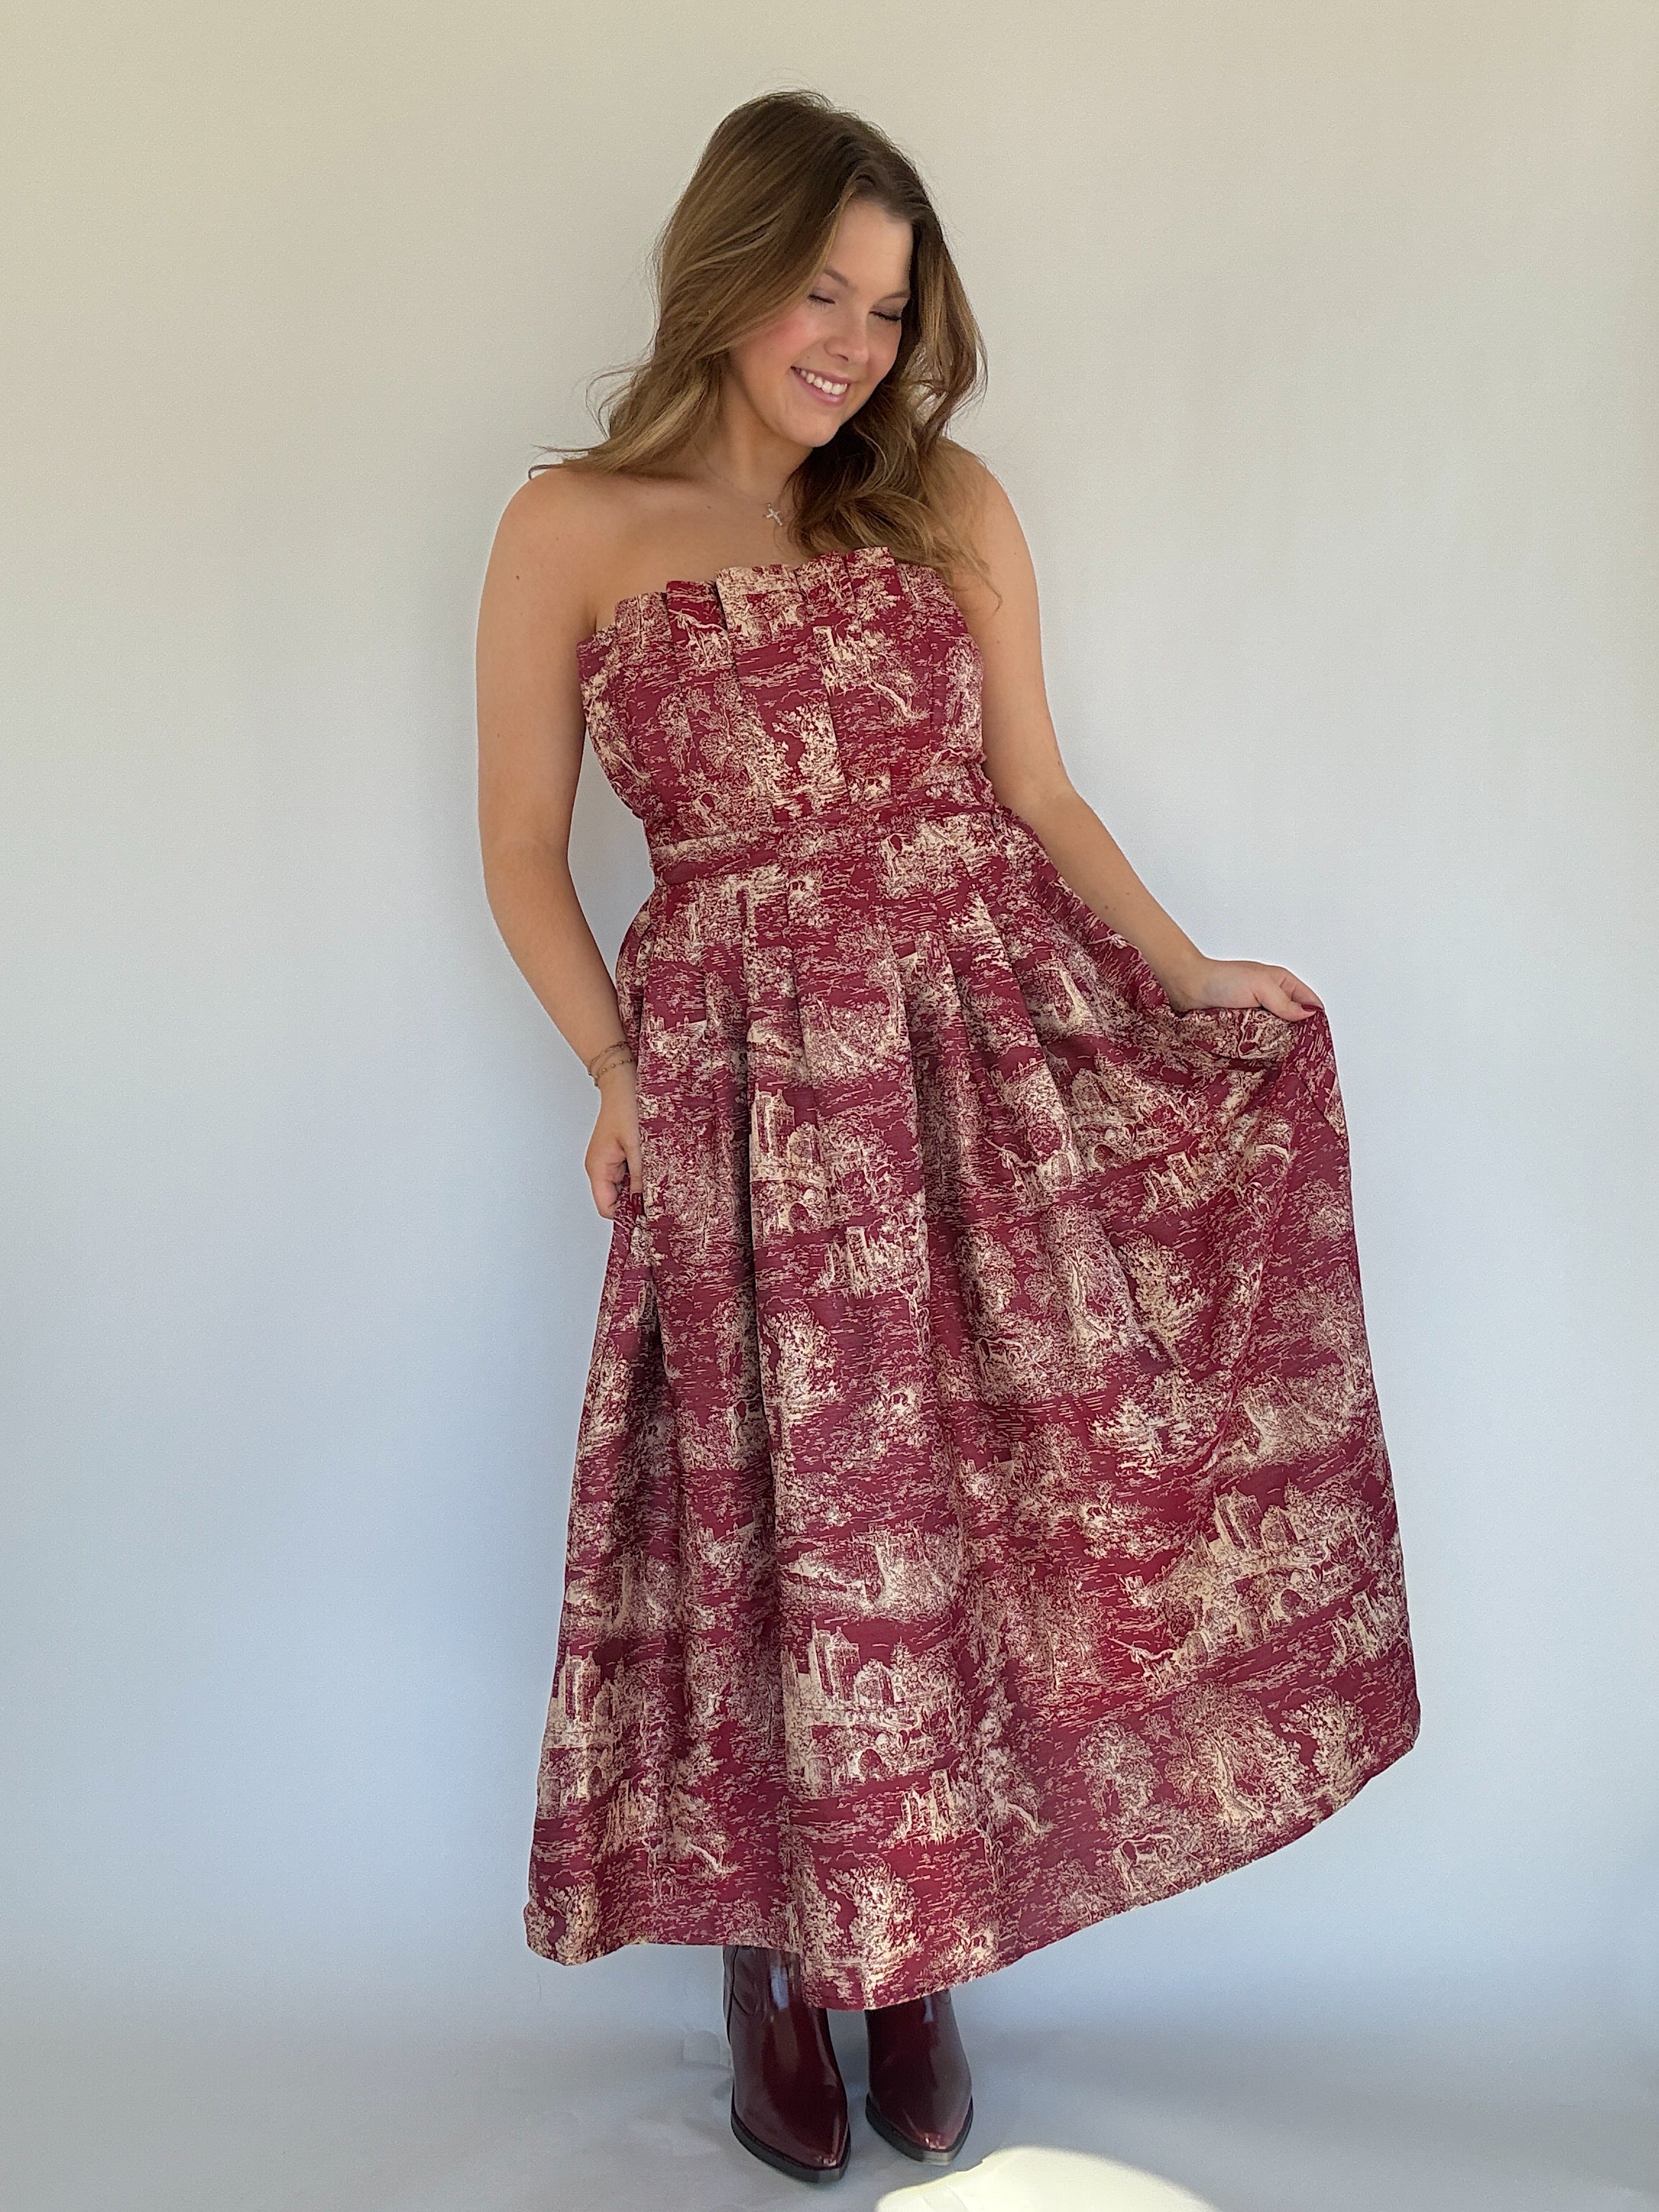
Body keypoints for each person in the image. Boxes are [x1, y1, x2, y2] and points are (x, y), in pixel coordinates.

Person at [475, 87, 1419, 2190]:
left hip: (971, 1061)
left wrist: (1185, 984)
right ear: (722, 273)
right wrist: (617, 1073)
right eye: (822, 291)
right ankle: (777, 1955)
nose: (854, 347)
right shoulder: (568, 528)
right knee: (768, 1530)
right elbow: (524, 854)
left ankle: (911, 1961)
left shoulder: (945, 499)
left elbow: (1042, 796)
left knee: (969, 1508)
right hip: (741, 1098)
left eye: (889, 312)